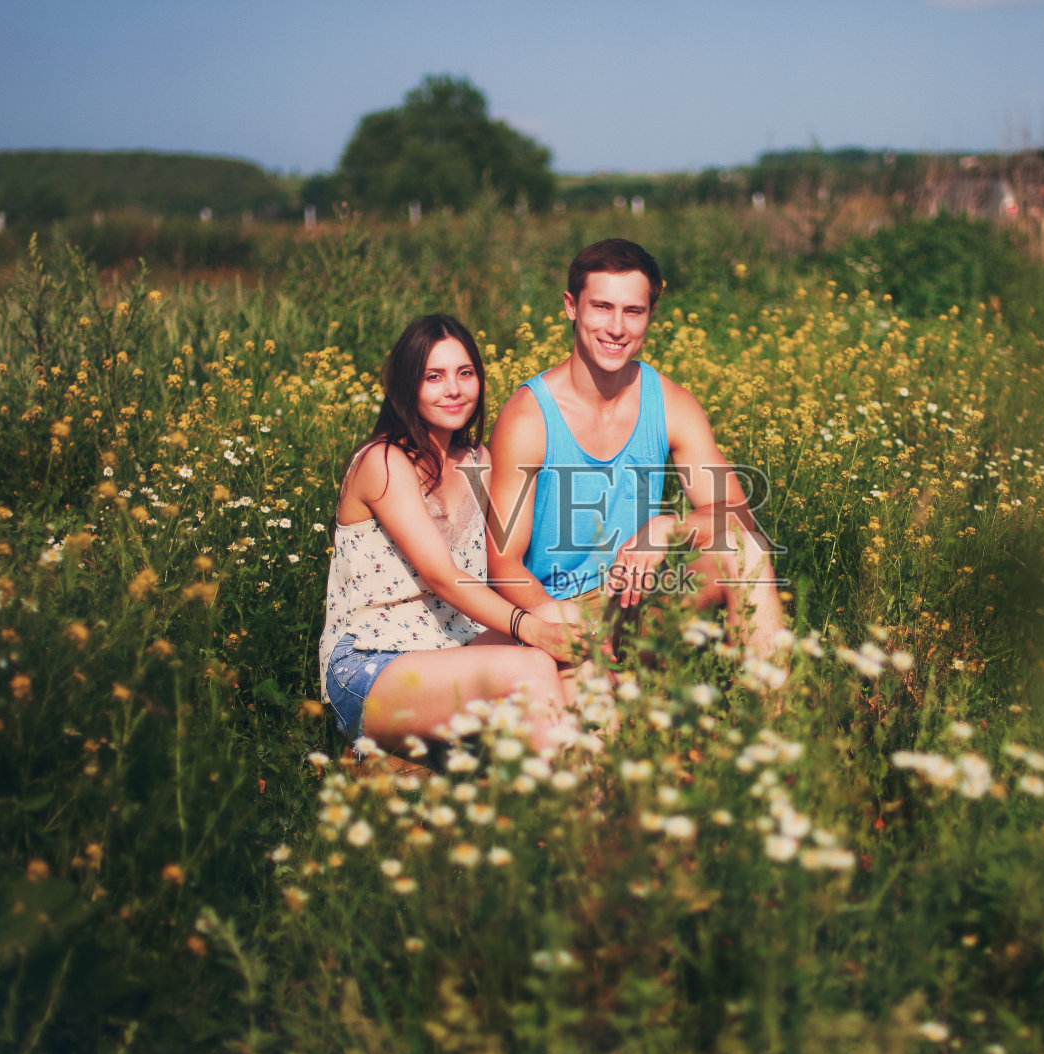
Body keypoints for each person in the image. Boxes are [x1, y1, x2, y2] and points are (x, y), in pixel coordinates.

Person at [487, 239, 782, 657]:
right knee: (601, 721)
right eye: (602, 307)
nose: (616, 328)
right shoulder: (528, 417)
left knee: (744, 551)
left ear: (650, 316)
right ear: (572, 306)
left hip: (640, 602)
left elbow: (739, 515)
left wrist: (668, 529)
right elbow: (504, 565)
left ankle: (772, 718)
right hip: (556, 613)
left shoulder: (670, 404)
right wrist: (565, 631)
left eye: (633, 311)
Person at [319, 314, 583, 758]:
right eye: (434, 377)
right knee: (534, 663)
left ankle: (603, 778)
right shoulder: (383, 462)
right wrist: (530, 629)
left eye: (465, 374)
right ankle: (577, 809)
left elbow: (505, 559)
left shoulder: (480, 460)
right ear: (407, 386)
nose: (454, 390)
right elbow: (442, 575)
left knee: (570, 621)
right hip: (372, 662)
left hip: (453, 644)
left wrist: (555, 617)